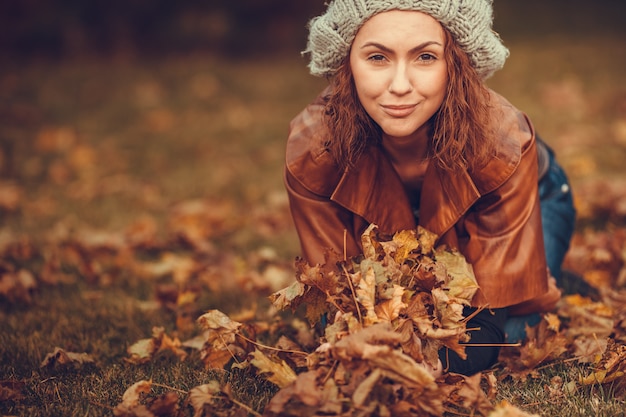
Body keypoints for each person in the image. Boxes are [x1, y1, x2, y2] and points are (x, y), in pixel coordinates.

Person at [284, 0, 576, 376]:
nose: (400, 86)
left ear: (454, 63)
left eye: (425, 57)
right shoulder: (314, 151)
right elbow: (340, 303)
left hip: (537, 193)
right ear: (347, 65)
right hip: (423, 225)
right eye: (377, 58)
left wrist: (411, 366)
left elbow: (485, 320)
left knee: (515, 329)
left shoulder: (500, 142)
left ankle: (552, 274)